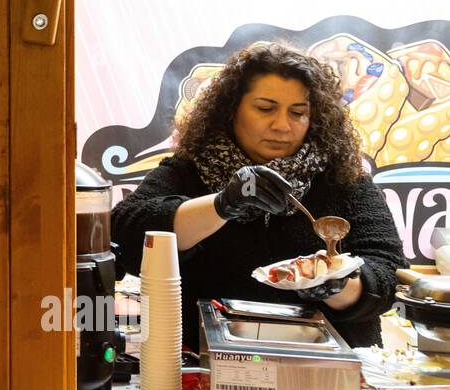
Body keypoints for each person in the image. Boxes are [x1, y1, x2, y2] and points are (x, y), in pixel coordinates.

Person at [111, 42, 401, 352]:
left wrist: (335, 284)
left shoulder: (344, 179)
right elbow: (126, 235)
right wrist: (223, 204)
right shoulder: (190, 170)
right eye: (265, 108)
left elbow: (387, 274)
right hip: (202, 363)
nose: (281, 125)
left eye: (298, 113)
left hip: (329, 367)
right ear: (232, 109)